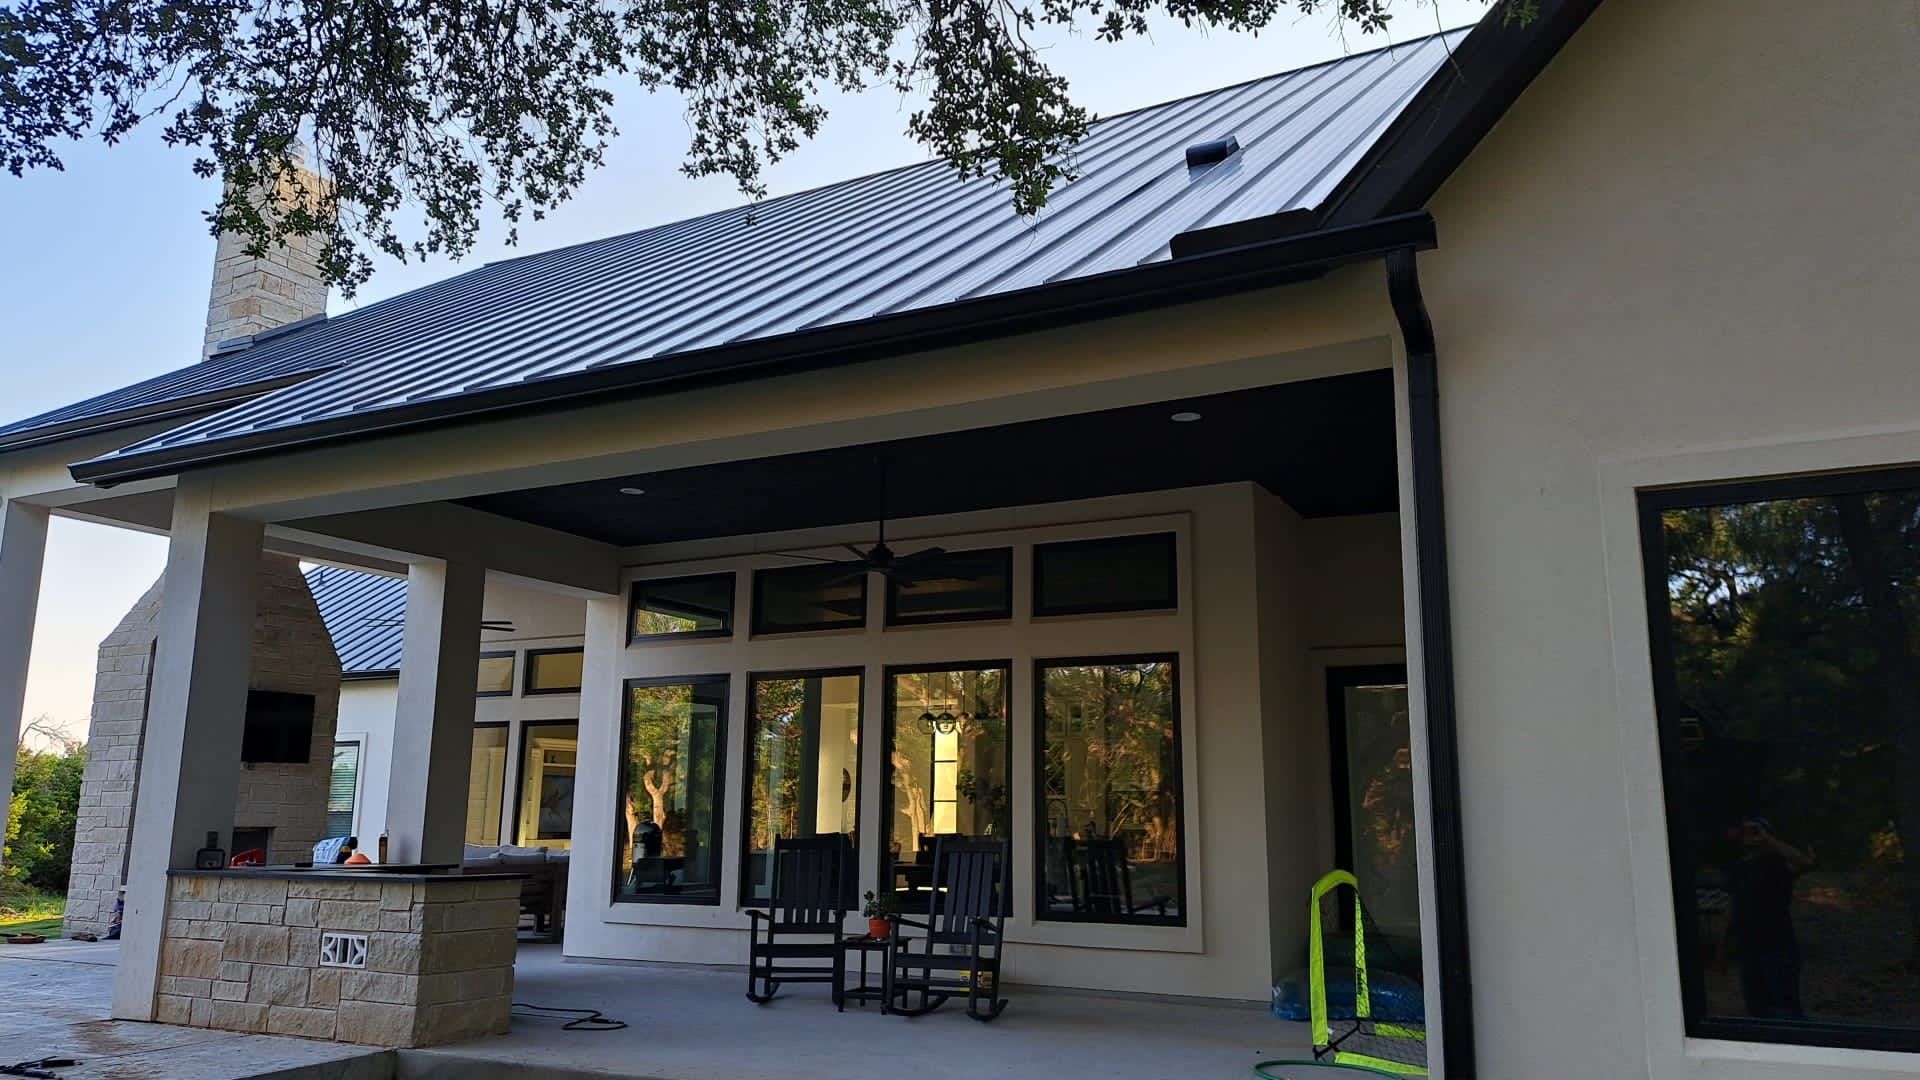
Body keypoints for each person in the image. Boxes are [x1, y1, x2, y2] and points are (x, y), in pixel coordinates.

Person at [1724, 815, 1814, 1020]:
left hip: (1778, 945)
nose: (1750, 835)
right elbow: (1732, 906)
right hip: (1747, 946)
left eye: (1755, 830)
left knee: (1785, 1007)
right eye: (1746, 831)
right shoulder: (1739, 868)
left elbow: (1806, 863)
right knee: (1756, 1008)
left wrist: (1769, 841)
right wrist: (1724, 946)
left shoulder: (1779, 864)